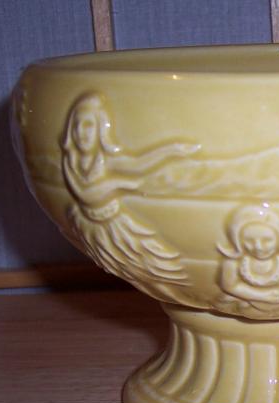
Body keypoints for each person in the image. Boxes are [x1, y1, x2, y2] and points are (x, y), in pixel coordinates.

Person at [61, 93, 200, 302]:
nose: (82, 133)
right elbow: (84, 192)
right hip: (90, 224)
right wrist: (115, 184)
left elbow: (138, 165)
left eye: (88, 126)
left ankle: (183, 296)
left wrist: (170, 151)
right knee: (121, 265)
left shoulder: (107, 160)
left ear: (100, 129)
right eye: (78, 125)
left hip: (112, 226)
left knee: (144, 264)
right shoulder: (72, 160)